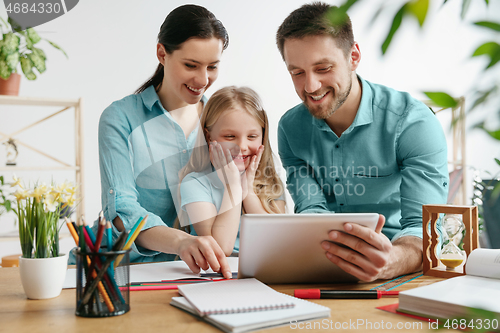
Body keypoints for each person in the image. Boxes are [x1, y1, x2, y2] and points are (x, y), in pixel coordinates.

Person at [276, 2, 449, 282]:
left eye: (323, 68)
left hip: (401, 270)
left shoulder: (413, 123)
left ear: (353, 56)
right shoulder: (290, 128)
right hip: (322, 268)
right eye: (297, 72)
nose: (310, 86)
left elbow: (424, 229)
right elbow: (311, 212)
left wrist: (391, 260)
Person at [94, 4, 232, 278]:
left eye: (212, 67)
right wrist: (182, 243)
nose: (203, 79)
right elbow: (122, 210)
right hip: (139, 273)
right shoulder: (120, 118)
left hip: (212, 273)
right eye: (191, 65)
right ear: (162, 54)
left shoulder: (224, 120)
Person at [179, 86, 286, 256]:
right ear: (209, 137)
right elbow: (220, 248)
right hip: (214, 275)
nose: (242, 147)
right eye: (230, 137)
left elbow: (279, 243)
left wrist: (248, 191)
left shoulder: (270, 182)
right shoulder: (195, 183)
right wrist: (233, 187)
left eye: (252, 137)